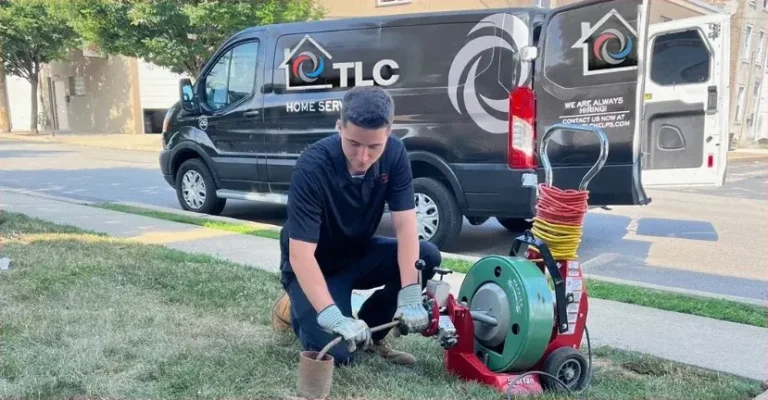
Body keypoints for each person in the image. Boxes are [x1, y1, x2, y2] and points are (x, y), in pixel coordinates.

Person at [275, 86, 441, 366]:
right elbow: (301, 254)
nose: (363, 156)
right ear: (339, 127)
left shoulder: (396, 154)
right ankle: (293, 306)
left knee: (427, 255)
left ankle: (374, 334)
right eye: (353, 143)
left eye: (374, 146)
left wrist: (410, 293)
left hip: (359, 254)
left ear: (388, 133)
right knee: (338, 356)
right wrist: (331, 315)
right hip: (316, 265)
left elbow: (406, 229)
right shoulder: (311, 167)